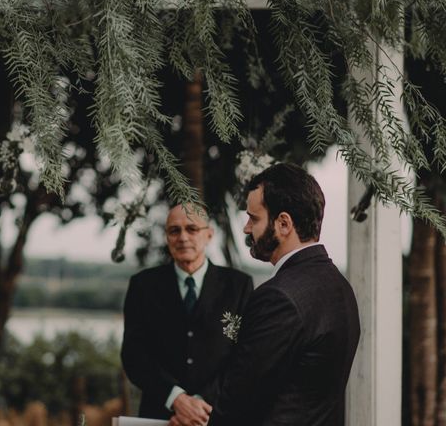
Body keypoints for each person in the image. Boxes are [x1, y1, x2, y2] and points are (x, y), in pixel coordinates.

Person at [209, 163, 360, 426]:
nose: (246, 228)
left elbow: (237, 403)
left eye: (254, 218)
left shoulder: (278, 298)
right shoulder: (341, 287)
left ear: (283, 223)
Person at [121, 203, 253, 425]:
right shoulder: (143, 285)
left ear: (209, 234)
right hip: (160, 416)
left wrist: (200, 405)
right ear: (166, 237)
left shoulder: (238, 286)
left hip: (217, 414)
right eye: (174, 230)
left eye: (192, 229)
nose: (183, 237)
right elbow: (134, 355)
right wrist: (176, 399)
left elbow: (245, 357)